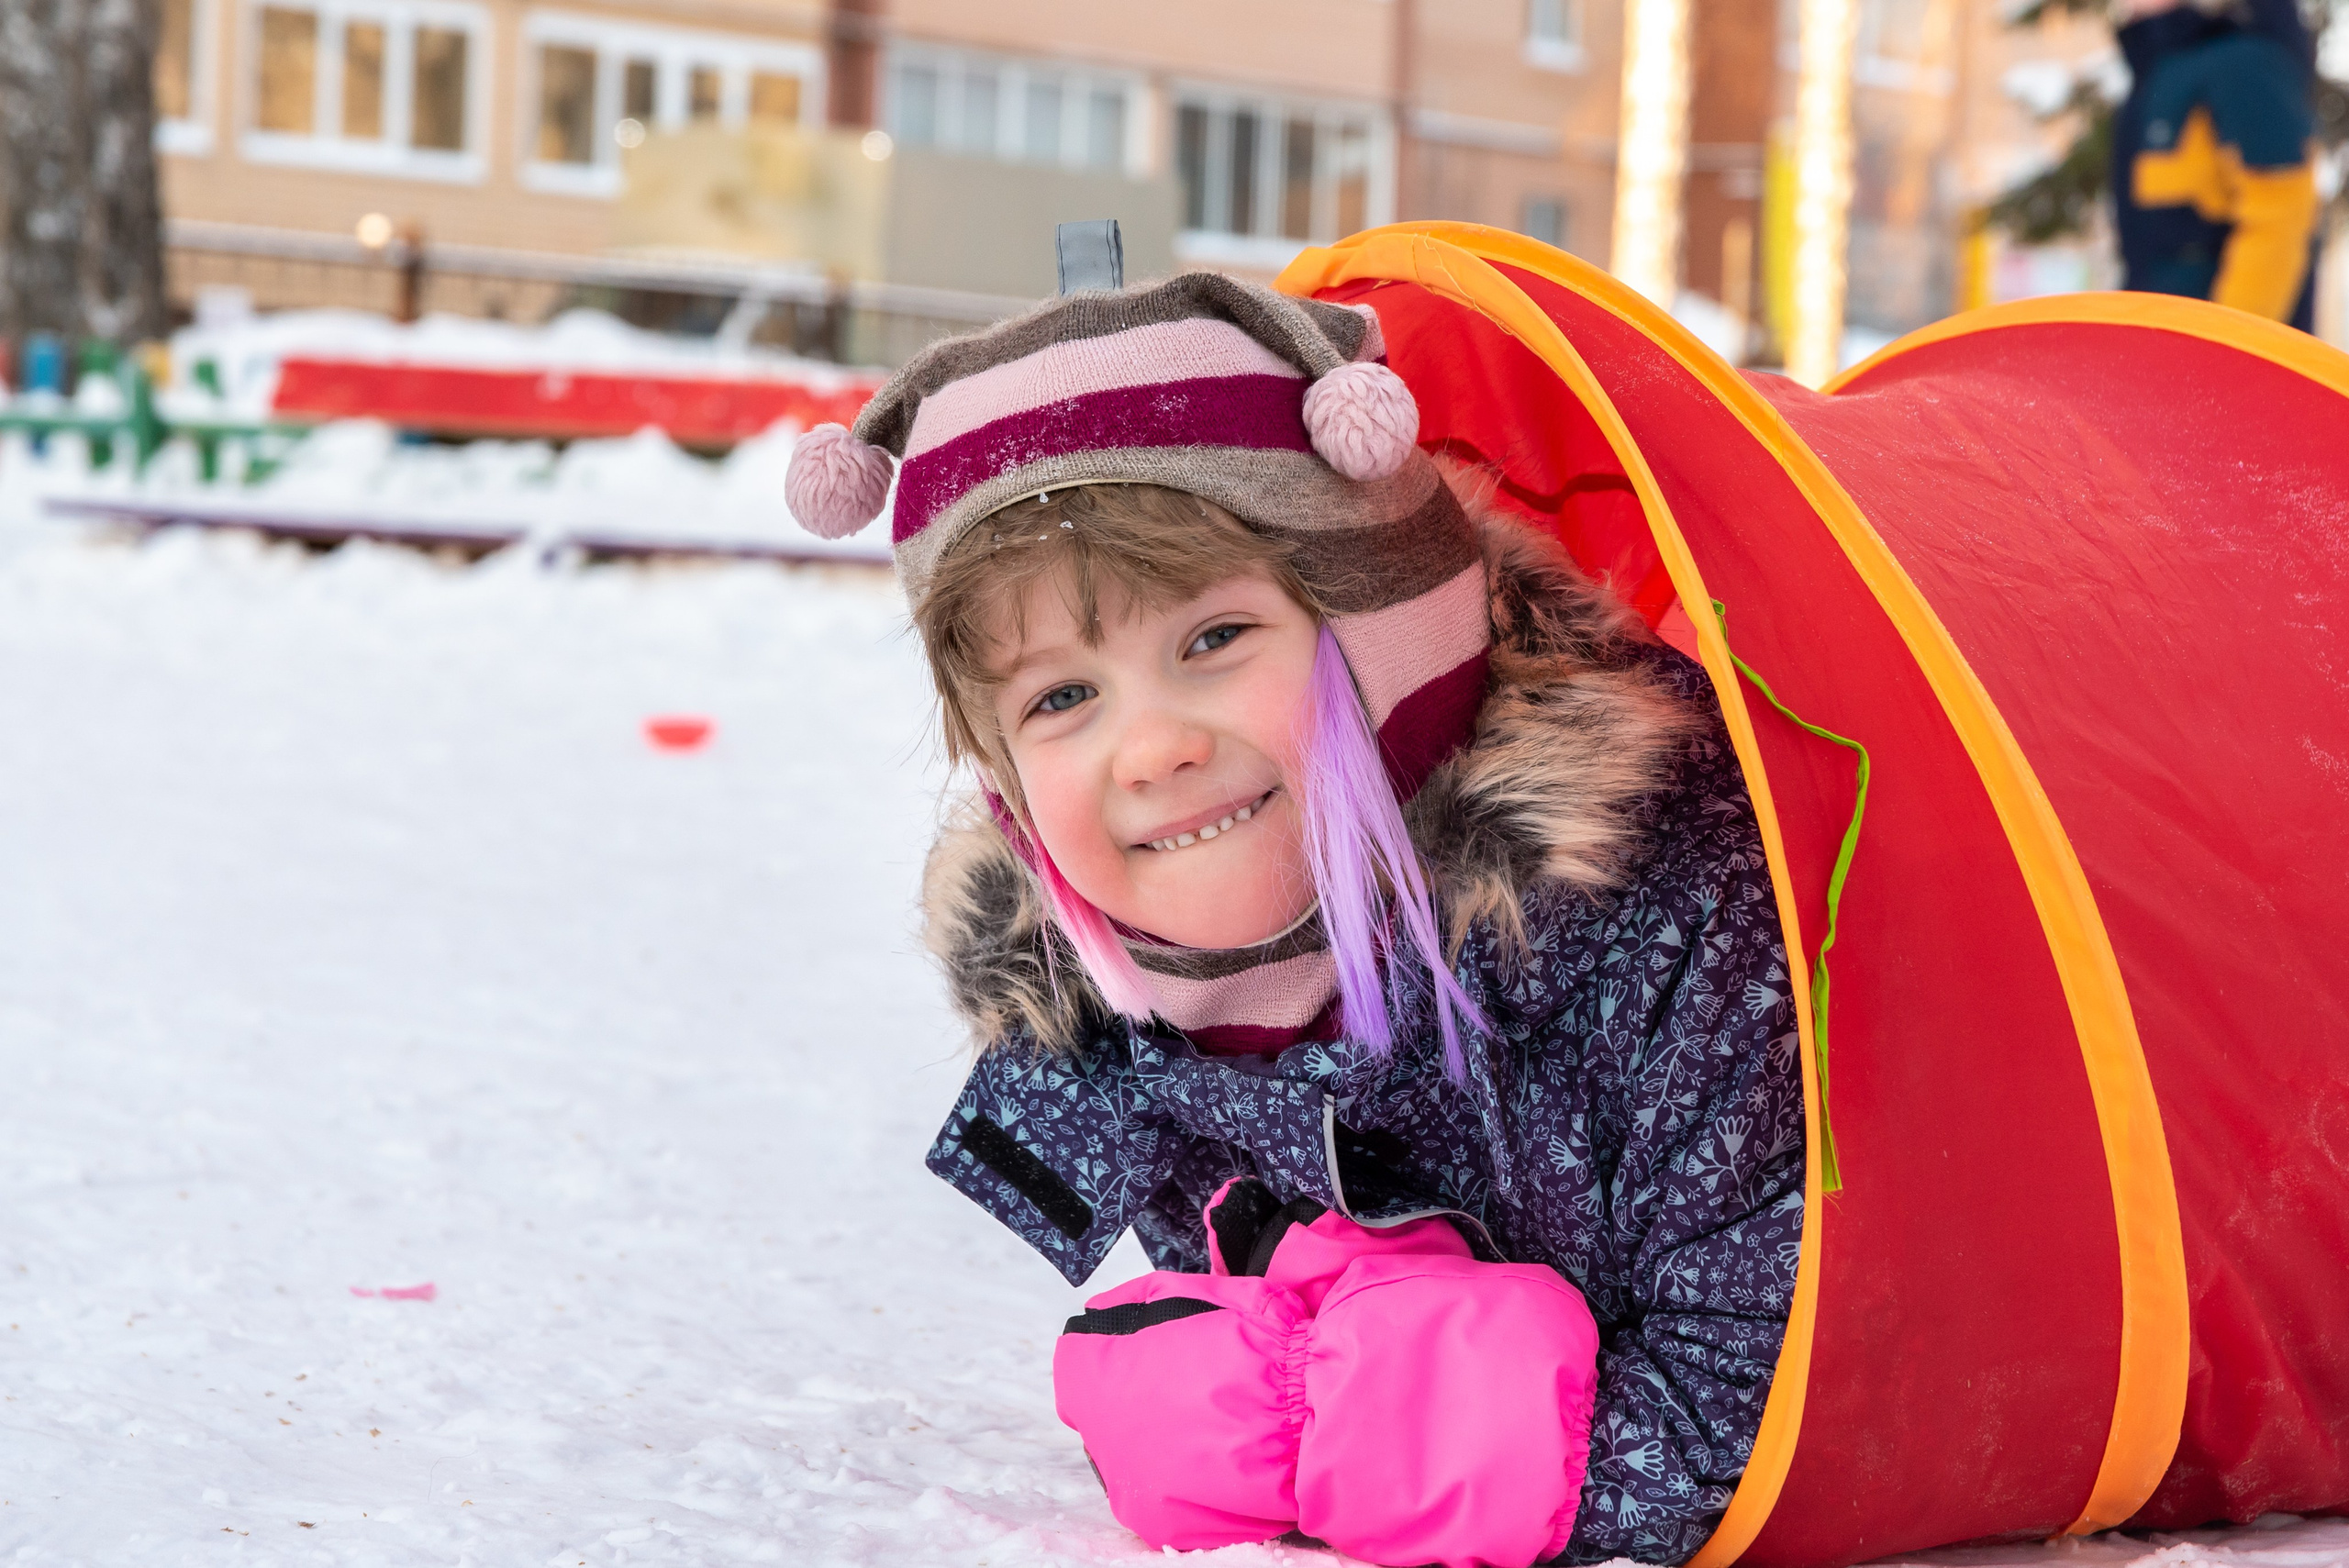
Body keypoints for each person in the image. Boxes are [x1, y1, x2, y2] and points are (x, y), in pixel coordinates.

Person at [783, 273, 1805, 1567]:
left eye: (1215, 635)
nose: (1148, 749)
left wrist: (1290, 1438)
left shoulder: (1658, 908)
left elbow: (1757, 1413)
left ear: (1382, 630)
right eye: (1059, 699)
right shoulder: (1128, 1015)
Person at [2113, 0, 2321, 328]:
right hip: (2161, 344)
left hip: (2219, 358)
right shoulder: (2160, 71)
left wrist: (2230, 345)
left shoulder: (2245, 63)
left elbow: (2280, 218)